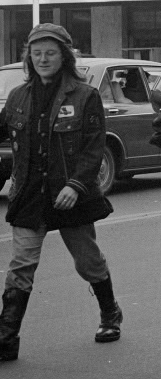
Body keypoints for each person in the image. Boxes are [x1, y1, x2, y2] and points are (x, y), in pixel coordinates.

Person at [0, 24, 119, 361]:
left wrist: (75, 185)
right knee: (21, 265)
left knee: (88, 262)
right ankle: (7, 339)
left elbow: (93, 149)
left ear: (64, 56)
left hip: (70, 195)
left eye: (50, 53)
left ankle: (110, 314)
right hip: (29, 195)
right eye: (36, 53)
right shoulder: (18, 96)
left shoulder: (85, 96)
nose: (43, 59)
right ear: (28, 58)